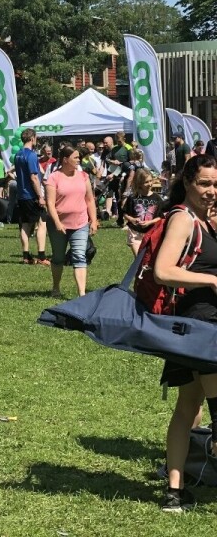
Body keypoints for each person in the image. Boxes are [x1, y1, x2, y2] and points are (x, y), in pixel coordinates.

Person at [153, 154, 217, 513]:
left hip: (189, 329)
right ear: (189, 182)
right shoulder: (182, 218)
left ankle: (174, 493)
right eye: (204, 184)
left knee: (185, 409)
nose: (211, 191)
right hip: (202, 328)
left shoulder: (205, 222)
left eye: (215, 184)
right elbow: (163, 270)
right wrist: (211, 279)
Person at [44, 147, 99, 297]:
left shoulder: (83, 176)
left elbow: (89, 199)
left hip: (80, 223)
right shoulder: (54, 178)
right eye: (75, 157)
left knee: (80, 256)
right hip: (58, 224)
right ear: (65, 159)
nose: (78, 160)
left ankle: (81, 294)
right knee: (58, 257)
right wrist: (57, 222)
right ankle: (56, 287)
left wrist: (93, 220)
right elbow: (50, 203)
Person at [14, 128, 50, 266]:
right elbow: (34, 177)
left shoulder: (17, 155)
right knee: (42, 222)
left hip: (21, 194)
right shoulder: (32, 155)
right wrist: (40, 196)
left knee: (25, 225)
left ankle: (26, 255)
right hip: (31, 194)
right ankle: (41, 256)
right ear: (32, 138)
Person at [122, 168, 164, 256]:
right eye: (146, 182)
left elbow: (161, 217)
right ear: (139, 183)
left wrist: (149, 222)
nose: (150, 184)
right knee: (139, 260)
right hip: (135, 233)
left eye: (150, 181)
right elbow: (125, 213)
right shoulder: (133, 197)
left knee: (149, 261)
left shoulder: (156, 198)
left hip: (151, 233)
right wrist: (133, 220)